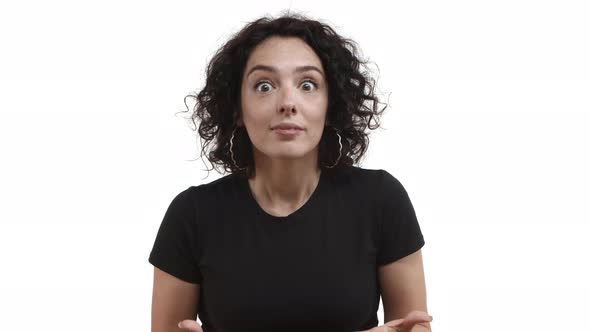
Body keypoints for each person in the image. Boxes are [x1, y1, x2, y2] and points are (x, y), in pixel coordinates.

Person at [149, 12, 433, 332]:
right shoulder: (191, 215)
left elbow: (414, 327)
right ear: (237, 109)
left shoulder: (382, 199)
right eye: (265, 85)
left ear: (331, 106)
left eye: (308, 84)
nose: (287, 102)